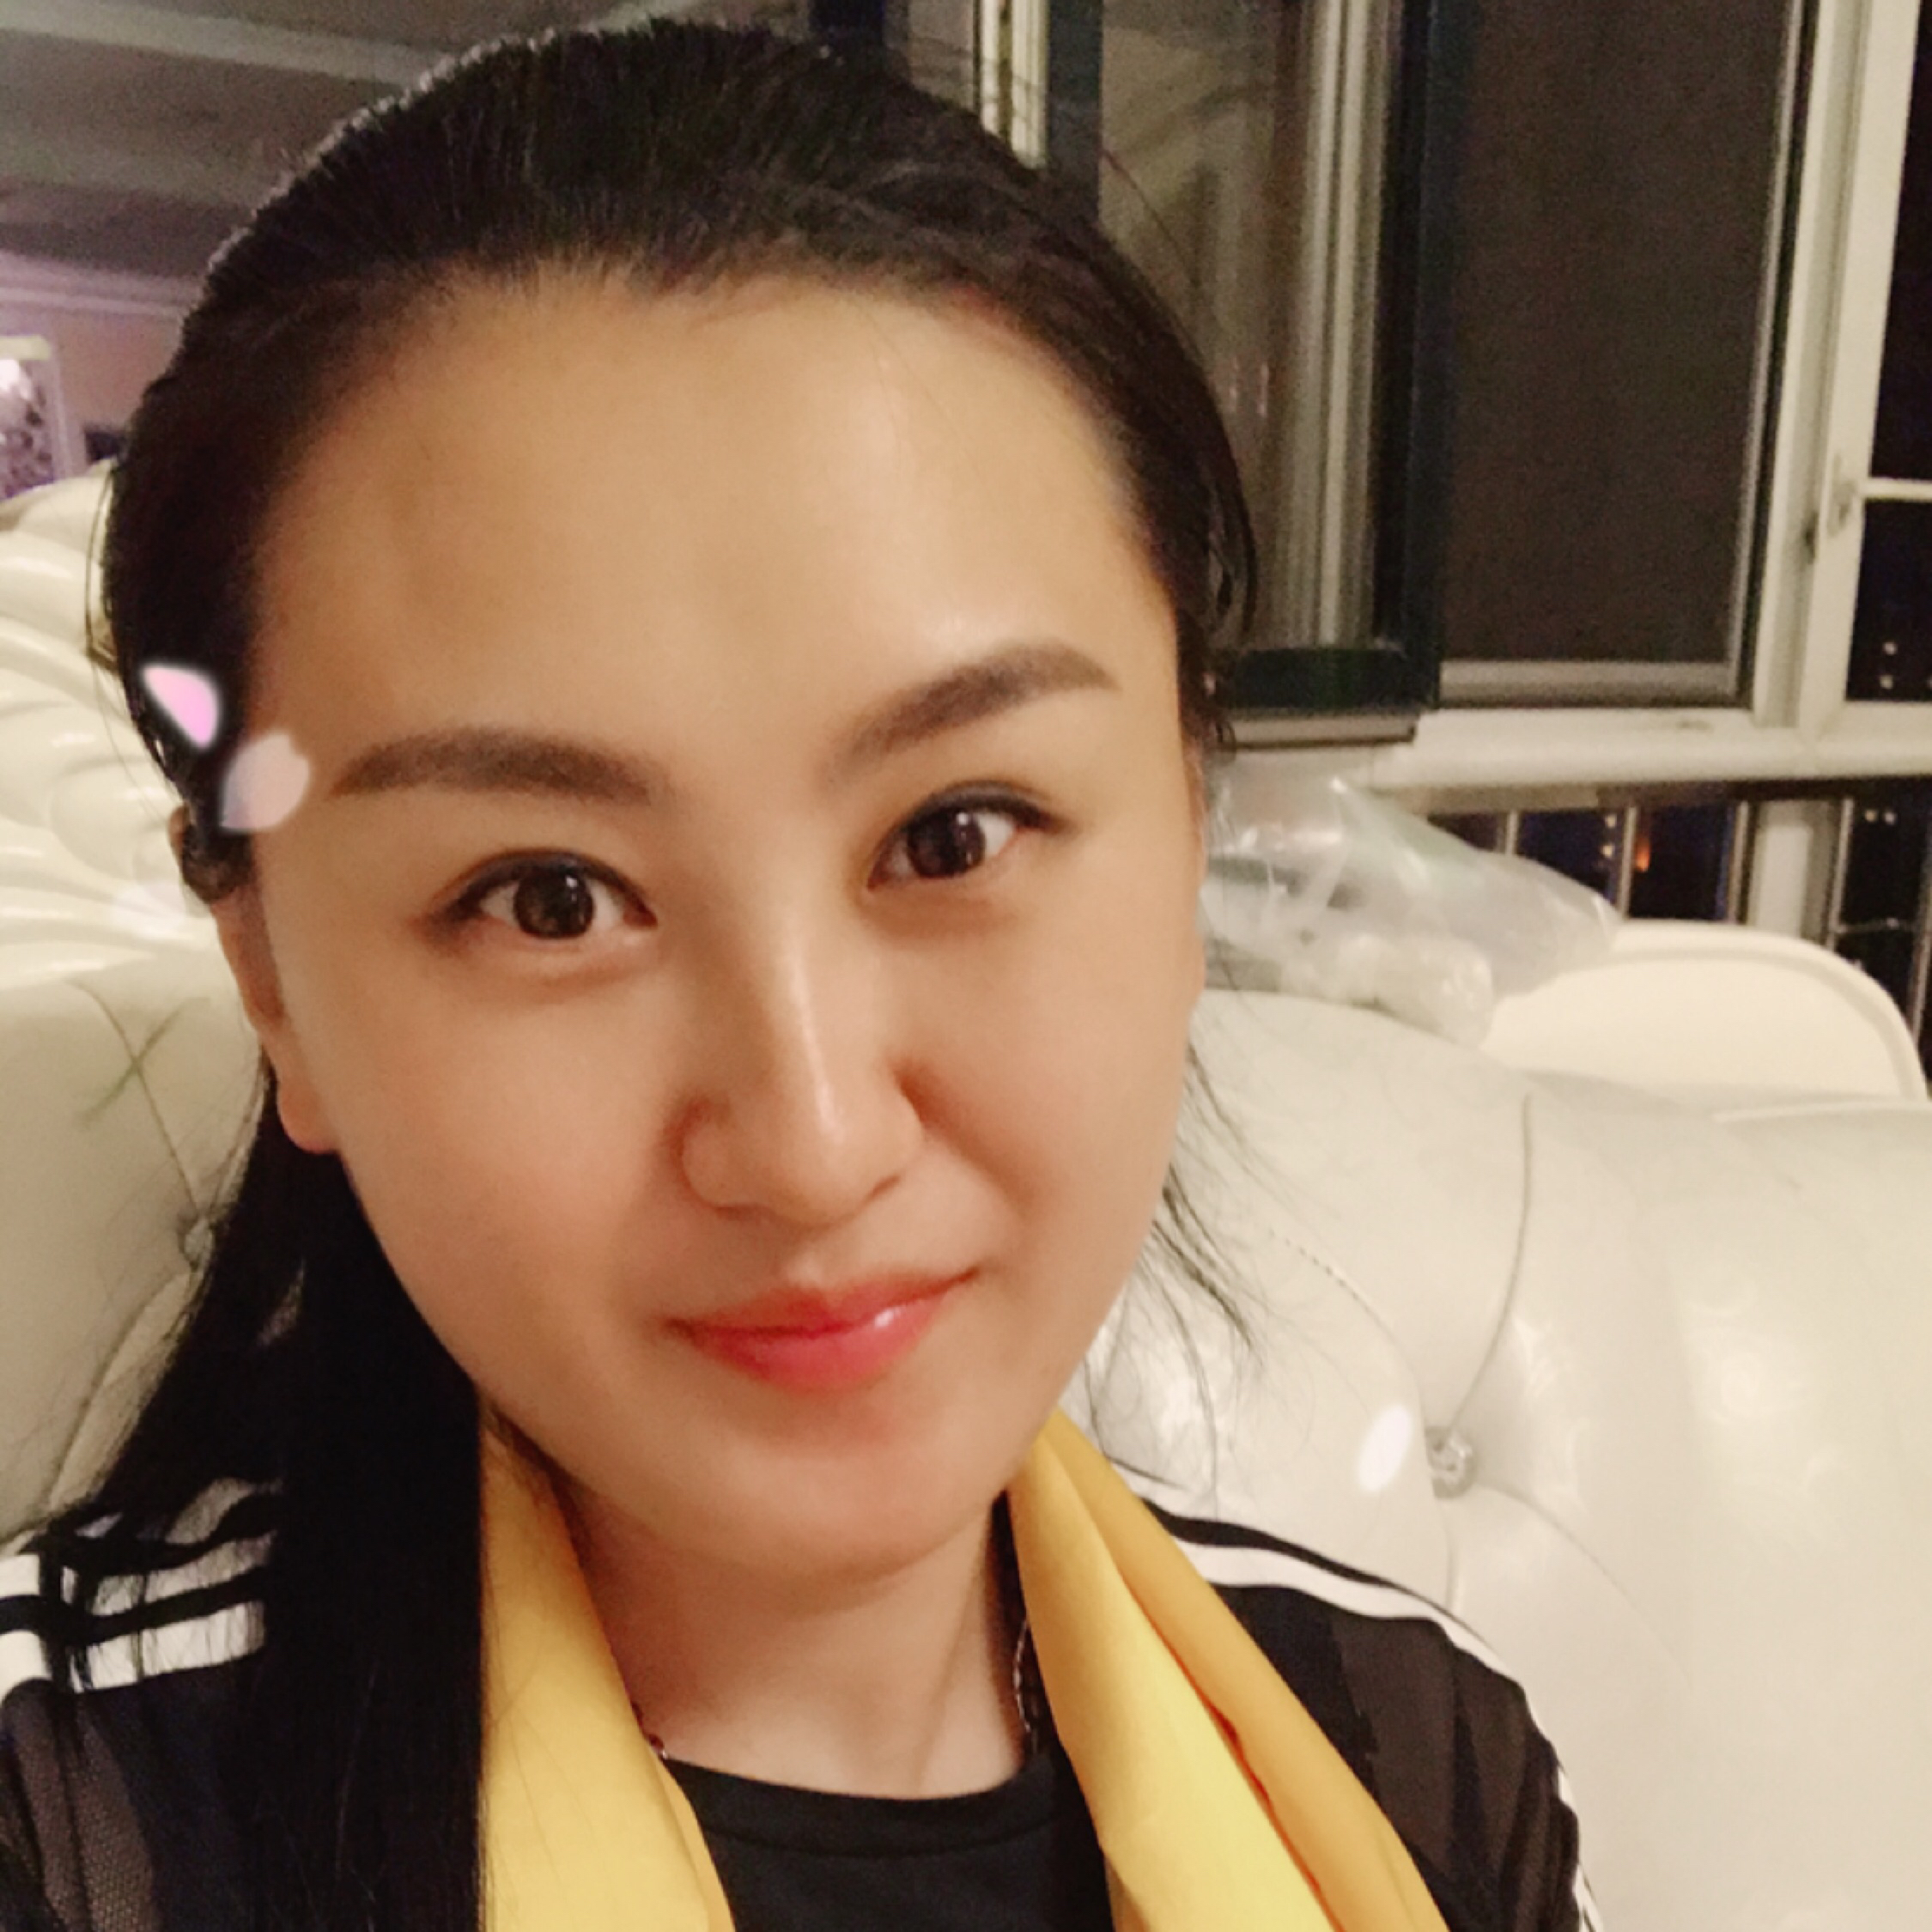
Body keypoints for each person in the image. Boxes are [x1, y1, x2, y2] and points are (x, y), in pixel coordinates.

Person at [0, 21, 1599, 1932]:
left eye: (954, 832)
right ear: (274, 981)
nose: (814, 1141)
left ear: (1187, 832)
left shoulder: (1406, 1771)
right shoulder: (71, 1835)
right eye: (549, 898)